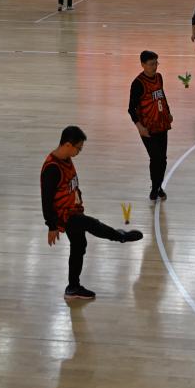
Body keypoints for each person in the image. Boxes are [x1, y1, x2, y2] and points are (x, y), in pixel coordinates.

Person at [40, 125, 144, 300]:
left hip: (73, 210)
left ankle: (73, 288)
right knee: (91, 224)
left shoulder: (66, 159)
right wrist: (51, 225)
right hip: (64, 215)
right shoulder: (52, 168)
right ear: (67, 145)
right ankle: (120, 236)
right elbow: (46, 200)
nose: (79, 152)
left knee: (79, 246)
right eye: (78, 148)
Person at [129, 51, 173, 202]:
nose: (155, 67)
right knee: (156, 158)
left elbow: (162, 96)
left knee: (163, 159)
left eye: (156, 63)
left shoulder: (159, 77)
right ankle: (155, 188)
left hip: (162, 124)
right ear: (143, 64)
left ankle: (158, 186)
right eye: (151, 64)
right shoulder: (138, 84)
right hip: (147, 128)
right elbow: (131, 109)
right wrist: (139, 127)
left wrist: (168, 112)